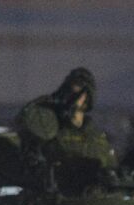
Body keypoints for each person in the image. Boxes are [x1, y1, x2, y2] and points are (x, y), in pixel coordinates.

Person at [15, 67, 116, 195]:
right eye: (69, 87)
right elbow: (31, 165)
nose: (72, 92)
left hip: (92, 202)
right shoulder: (49, 130)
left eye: (78, 87)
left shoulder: (97, 137)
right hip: (59, 200)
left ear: (87, 97)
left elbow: (110, 169)